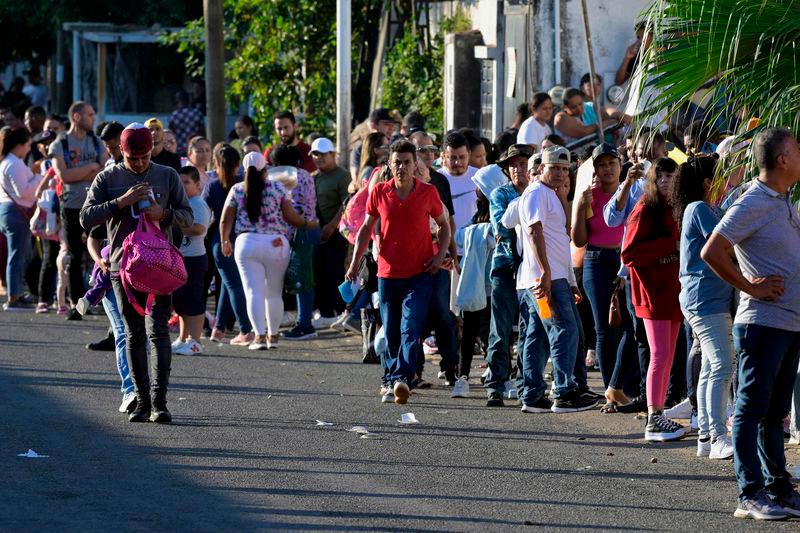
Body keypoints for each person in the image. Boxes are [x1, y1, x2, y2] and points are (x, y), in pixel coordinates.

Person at [702, 128, 800, 520]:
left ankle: (779, 488)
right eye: (797, 148)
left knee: (775, 414)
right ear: (782, 160)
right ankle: (750, 492)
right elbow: (712, 249)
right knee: (750, 410)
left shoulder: (783, 201)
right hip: (762, 324)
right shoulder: (755, 200)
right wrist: (749, 287)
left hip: (789, 324)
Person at [80, 123, 193, 424]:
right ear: (122, 151)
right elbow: (85, 218)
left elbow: (187, 214)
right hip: (122, 269)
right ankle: (141, 402)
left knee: (158, 331)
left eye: (144, 157)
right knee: (133, 333)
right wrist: (120, 202)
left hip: (159, 266)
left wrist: (164, 214)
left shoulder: (167, 175)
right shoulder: (108, 177)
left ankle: (160, 402)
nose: (140, 164)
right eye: (133, 158)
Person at [346, 139, 450, 405]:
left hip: (420, 273)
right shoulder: (379, 192)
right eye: (397, 162)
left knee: (410, 326)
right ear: (389, 165)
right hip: (388, 274)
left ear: (415, 165)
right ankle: (390, 378)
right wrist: (354, 264)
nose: (402, 167)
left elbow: (444, 225)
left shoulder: (428, 192)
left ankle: (402, 377)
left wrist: (439, 257)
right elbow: (365, 230)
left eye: (407, 162)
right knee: (391, 329)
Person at [516, 145, 599, 413]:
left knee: (539, 333)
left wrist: (570, 282)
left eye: (565, 169)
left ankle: (532, 395)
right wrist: (547, 274)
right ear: (541, 168)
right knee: (566, 329)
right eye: (555, 168)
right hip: (544, 281)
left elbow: (561, 235)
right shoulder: (536, 193)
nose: (561, 174)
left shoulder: (551, 193)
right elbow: (534, 233)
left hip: (552, 279)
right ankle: (563, 392)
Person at [672, 155, 735, 459]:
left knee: (712, 367)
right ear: (709, 182)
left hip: (709, 298)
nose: (728, 179)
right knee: (722, 364)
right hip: (704, 299)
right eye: (722, 175)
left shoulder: (706, 208)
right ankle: (717, 436)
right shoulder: (699, 209)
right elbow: (723, 244)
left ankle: (707, 438)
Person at [220, 151, 314, 350]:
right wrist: (308, 223)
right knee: (273, 293)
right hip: (276, 243)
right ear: (266, 168)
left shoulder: (237, 189)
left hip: (246, 244)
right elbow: (290, 217)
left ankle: (259, 337)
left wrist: (224, 240)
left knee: (253, 292)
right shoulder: (278, 187)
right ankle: (273, 337)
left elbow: (225, 219)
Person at [621, 157, 685, 441]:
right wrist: (669, 246)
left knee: (667, 356)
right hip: (652, 293)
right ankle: (654, 417)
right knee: (659, 355)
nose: (665, 181)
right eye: (660, 175)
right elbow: (629, 254)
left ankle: (658, 414)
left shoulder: (675, 209)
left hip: (672, 292)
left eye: (671, 176)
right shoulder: (644, 208)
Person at [571, 144, 636, 411]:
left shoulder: (633, 190)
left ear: (621, 166)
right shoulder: (589, 195)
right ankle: (611, 390)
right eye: (602, 165)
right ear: (595, 169)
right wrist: (579, 207)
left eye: (612, 163)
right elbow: (579, 239)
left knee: (630, 327)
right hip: (596, 261)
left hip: (627, 260)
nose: (607, 169)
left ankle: (626, 386)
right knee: (604, 330)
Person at [49, 101, 108, 319]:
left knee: (98, 254)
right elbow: (64, 176)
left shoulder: (96, 142)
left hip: (94, 206)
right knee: (75, 255)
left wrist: (84, 172)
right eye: (90, 115)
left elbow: (104, 170)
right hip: (71, 205)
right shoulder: (60, 144)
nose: (94, 118)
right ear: (76, 117)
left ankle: (99, 298)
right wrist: (90, 168)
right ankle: (77, 303)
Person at [484, 144, 532, 406]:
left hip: (532, 267)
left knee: (529, 329)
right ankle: (495, 383)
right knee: (500, 329)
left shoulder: (538, 191)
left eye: (523, 164)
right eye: (513, 165)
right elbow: (503, 225)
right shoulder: (500, 194)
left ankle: (525, 383)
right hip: (505, 266)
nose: (518, 169)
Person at [203, 145, 254, 345]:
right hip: (241, 237)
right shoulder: (244, 185)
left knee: (230, 283)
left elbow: (206, 214)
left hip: (219, 238)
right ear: (237, 163)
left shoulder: (212, 186)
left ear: (216, 162)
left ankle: (232, 328)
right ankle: (236, 328)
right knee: (229, 283)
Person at [274, 144, 320, 338]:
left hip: (294, 232)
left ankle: (304, 325)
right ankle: (303, 321)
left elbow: (286, 210)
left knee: (297, 280)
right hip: (311, 229)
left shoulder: (282, 177)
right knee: (305, 278)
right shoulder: (306, 175)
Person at [309, 137, 351, 325]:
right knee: (319, 273)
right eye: (315, 154)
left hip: (336, 234)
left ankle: (336, 311)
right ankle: (324, 311)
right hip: (316, 233)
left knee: (333, 273)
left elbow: (347, 204)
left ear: (333, 155)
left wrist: (332, 226)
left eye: (322, 154)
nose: (318, 158)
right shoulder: (312, 177)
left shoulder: (342, 175)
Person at [0, 127, 42, 311]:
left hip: (9, 211)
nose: (28, 149)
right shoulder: (14, 163)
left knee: (20, 254)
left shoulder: (9, 162)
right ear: (19, 145)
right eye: (27, 145)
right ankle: (13, 297)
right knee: (17, 255)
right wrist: (41, 177)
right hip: (15, 212)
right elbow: (24, 192)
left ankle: (15, 293)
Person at [172, 166, 212, 356]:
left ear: (197, 184)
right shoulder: (179, 204)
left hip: (194, 260)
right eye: (179, 182)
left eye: (186, 182)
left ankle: (195, 342)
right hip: (178, 259)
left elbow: (199, 229)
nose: (182, 185)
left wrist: (174, 224)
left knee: (194, 302)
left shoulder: (198, 203)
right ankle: (183, 338)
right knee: (181, 303)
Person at [438, 131, 479, 254]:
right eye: (453, 157)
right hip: (444, 252)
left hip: (473, 250)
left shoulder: (479, 177)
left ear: (469, 154)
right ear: (444, 156)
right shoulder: (436, 179)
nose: (458, 163)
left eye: (462, 157)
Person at [349, 108, 396, 181]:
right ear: (374, 125)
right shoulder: (359, 150)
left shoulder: (396, 146)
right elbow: (357, 180)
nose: (391, 128)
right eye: (387, 124)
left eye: (393, 125)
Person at [167, 90, 205, 156]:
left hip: (178, 150)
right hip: (194, 150)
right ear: (189, 99)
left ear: (177, 100)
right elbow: (202, 132)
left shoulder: (174, 116)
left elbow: (170, 134)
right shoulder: (197, 113)